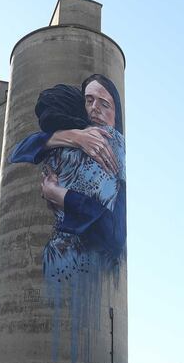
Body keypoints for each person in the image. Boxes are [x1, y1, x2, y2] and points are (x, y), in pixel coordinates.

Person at [9, 74, 126, 281]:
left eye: (104, 104)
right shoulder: (80, 135)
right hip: (61, 262)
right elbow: (18, 152)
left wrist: (60, 195)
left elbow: (113, 235)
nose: (94, 108)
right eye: (89, 101)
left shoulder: (113, 144)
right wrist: (75, 137)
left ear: (117, 114)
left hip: (86, 269)